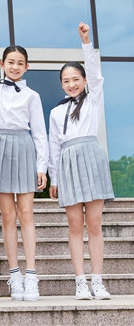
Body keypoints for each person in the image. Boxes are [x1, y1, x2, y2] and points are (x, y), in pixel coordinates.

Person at [49, 22, 114, 300]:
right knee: (75, 225)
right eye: (66, 80)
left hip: (91, 156)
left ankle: (98, 280)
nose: (71, 84)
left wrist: (86, 41)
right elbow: (54, 146)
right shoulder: (56, 112)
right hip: (68, 162)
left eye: (76, 79)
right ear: (61, 84)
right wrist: (53, 177)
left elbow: (96, 72)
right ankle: (80, 282)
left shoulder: (93, 99)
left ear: (84, 80)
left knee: (94, 223)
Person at [0, 33, 48, 301]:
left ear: (26, 67)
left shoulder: (32, 95)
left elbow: (40, 133)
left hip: (24, 146)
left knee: (26, 213)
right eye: (10, 62)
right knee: (7, 215)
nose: (15, 66)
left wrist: (42, 166)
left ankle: (31, 275)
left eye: (20, 63)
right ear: (2, 64)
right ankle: (14, 275)